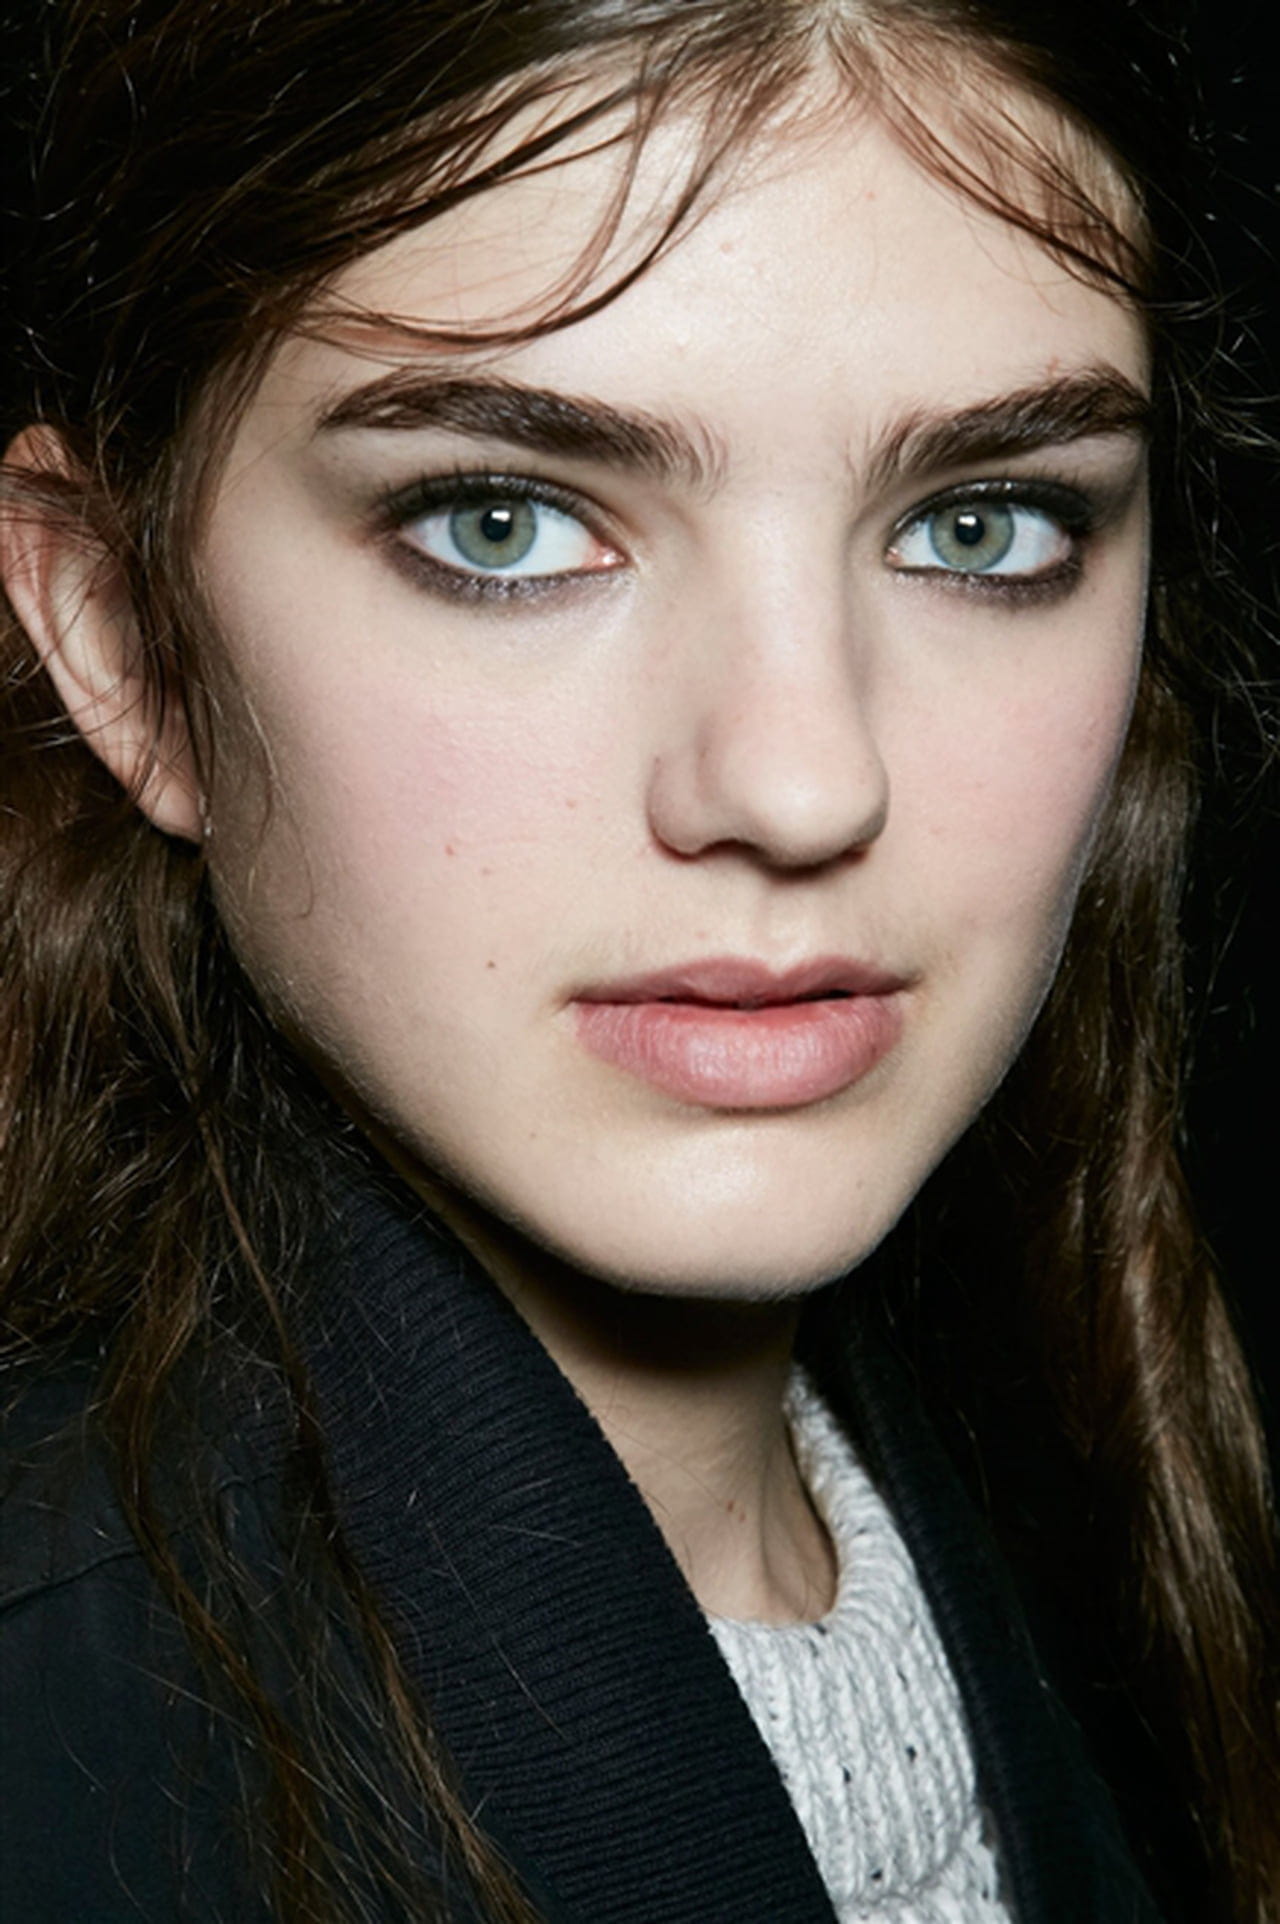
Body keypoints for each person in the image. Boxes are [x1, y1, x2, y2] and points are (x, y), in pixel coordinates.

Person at [1, 2, 1277, 1921]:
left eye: (981, 524)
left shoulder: (1087, 1515)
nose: (800, 781)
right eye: (505, 523)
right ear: (120, 635)